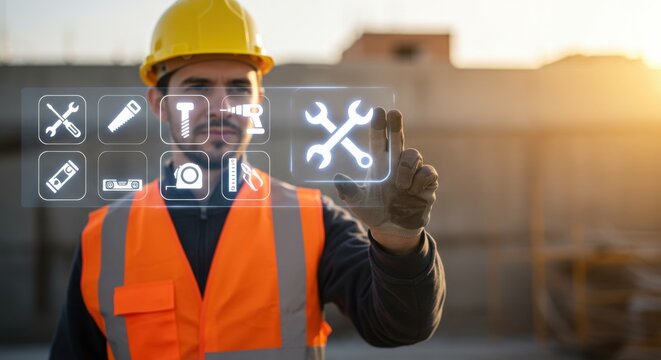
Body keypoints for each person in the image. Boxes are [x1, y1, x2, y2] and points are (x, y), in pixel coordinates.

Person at [50, 0, 445, 358]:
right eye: (198, 87)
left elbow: (401, 326)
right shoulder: (106, 238)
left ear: (257, 102)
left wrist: (398, 242)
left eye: (238, 88)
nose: (220, 107)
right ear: (160, 104)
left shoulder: (311, 221)